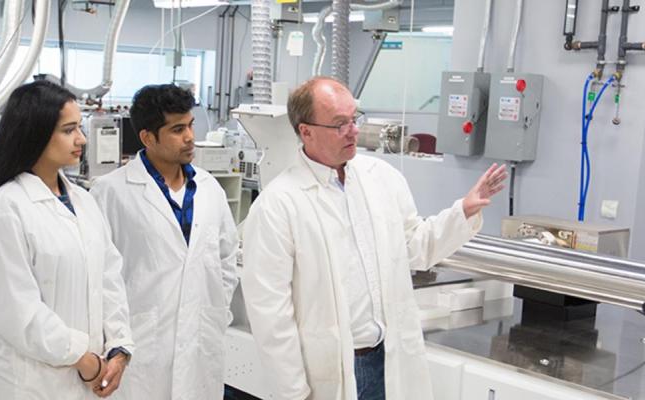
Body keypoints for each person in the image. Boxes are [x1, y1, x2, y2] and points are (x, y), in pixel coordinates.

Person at [240, 76, 508, 400]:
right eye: (340, 124)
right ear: (305, 131)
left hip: (390, 357)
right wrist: (293, 392)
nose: (353, 131)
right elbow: (271, 315)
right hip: (331, 371)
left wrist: (462, 211)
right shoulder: (278, 204)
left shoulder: (380, 178)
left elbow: (414, 247)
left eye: (355, 118)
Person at [0, 81, 134, 398]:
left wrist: (119, 349)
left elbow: (109, 278)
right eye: (69, 130)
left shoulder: (84, 201)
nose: (81, 139)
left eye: (79, 128)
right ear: (35, 133)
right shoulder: (4, 210)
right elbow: (17, 312)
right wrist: (84, 360)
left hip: (93, 378)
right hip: (34, 385)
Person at [90, 84, 239, 399]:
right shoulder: (110, 192)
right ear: (147, 137)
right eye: (177, 129)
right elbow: (99, 274)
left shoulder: (209, 189)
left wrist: (213, 312)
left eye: (190, 125)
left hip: (202, 343)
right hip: (142, 347)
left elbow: (226, 259)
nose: (189, 137)